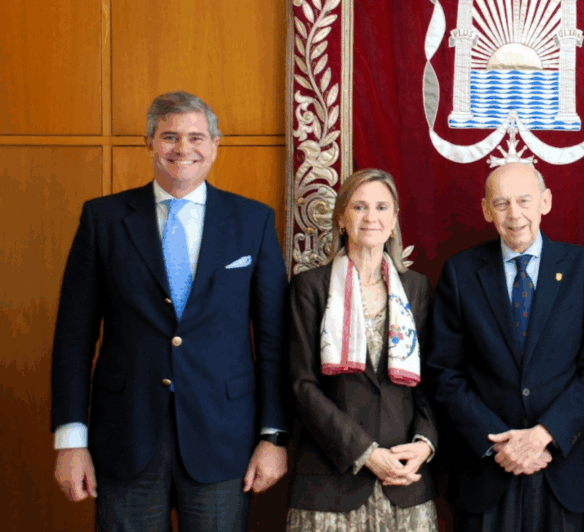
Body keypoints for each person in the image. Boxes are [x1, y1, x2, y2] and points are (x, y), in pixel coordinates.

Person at [50, 91, 289, 531]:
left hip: (225, 438)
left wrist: (273, 436)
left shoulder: (253, 221)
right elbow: (73, 338)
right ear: (149, 142)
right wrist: (70, 440)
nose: (183, 149)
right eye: (170, 136)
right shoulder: (103, 220)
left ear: (215, 145)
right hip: (125, 436)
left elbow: (274, 341)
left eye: (196, 137)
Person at [427, 162, 584, 532]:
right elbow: (444, 372)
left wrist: (544, 434)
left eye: (524, 200)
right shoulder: (459, 273)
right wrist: (501, 444)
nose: (514, 214)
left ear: (545, 202)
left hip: (560, 467)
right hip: (485, 469)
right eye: (501, 203)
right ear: (486, 210)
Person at [286, 168, 438, 531]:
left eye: (382, 207)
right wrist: (365, 453)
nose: (372, 217)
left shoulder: (416, 288)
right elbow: (301, 384)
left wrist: (425, 443)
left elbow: (433, 378)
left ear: (395, 219)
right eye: (359, 207)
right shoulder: (310, 287)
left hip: (404, 480)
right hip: (330, 479)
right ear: (341, 218)